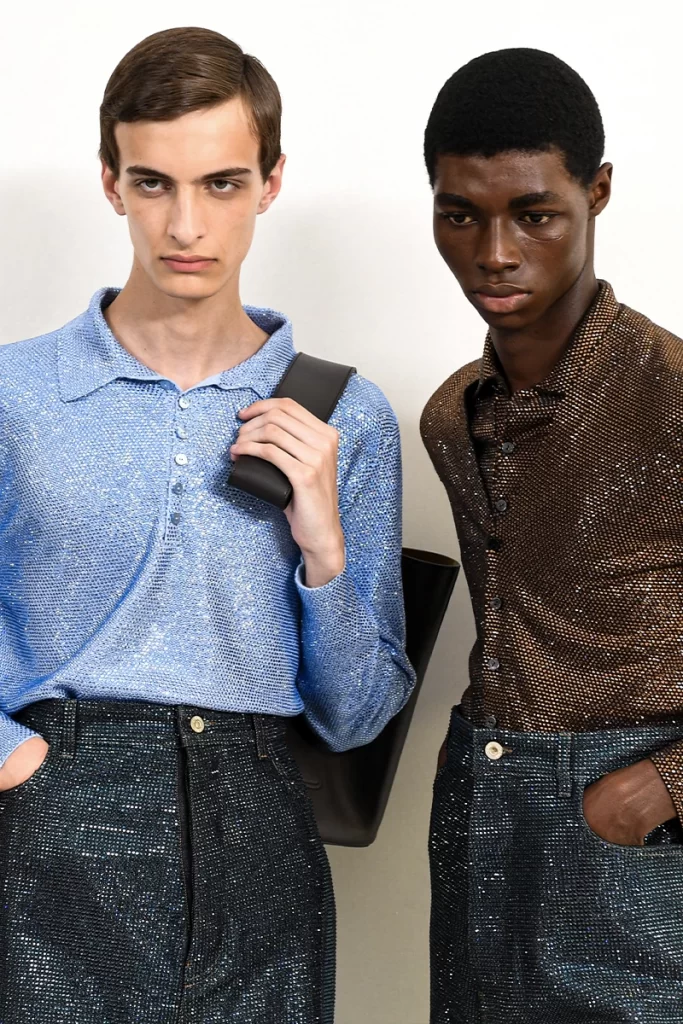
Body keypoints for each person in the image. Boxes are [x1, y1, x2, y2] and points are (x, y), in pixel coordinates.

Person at [0, 26, 414, 1024]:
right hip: (53, 833)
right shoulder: (16, 394)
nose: (186, 224)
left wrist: (323, 548)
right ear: (112, 182)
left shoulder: (344, 417)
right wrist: (19, 763)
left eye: (222, 184)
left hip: (263, 847)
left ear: (271, 182)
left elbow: (356, 717)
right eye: (154, 183)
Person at [420, 47, 683, 1024]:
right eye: (460, 215)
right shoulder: (450, 417)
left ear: (595, 192)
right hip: (479, 819)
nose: (493, 253)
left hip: (638, 850)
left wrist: (660, 787)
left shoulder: (670, 398)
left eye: (533, 214)